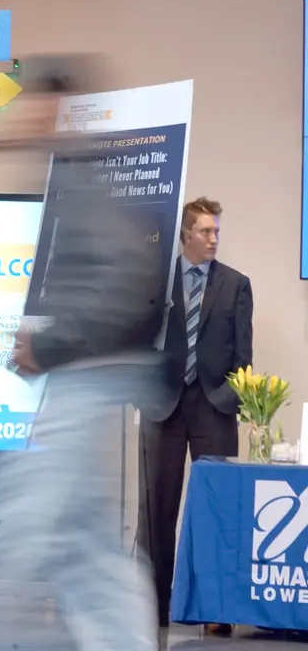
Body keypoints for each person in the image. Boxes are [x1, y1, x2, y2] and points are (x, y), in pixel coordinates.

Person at [0, 58, 167, 651]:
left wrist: (48, 343)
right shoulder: (71, 175)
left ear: (52, 109)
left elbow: (126, 283)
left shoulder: (84, 179)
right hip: (87, 374)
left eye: (27, 106)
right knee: (85, 545)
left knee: (9, 526)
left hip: (87, 379)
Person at [140, 197, 252, 631]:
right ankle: (153, 610)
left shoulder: (236, 285)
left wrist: (228, 400)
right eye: (206, 231)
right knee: (158, 514)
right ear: (185, 234)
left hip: (213, 407)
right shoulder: (155, 283)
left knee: (217, 513)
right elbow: (137, 343)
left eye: (217, 231)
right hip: (162, 407)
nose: (214, 239)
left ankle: (216, 613)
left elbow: (244, 356)